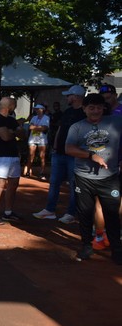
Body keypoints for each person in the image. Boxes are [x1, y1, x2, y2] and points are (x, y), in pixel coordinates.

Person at [65, 93, 122, 263]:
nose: (95, 111)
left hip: (109, 177)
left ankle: (116, 250)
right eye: (91, 108)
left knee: (112, 214)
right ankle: (86, 247)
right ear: (84, 109)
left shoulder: (116, 122)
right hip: (83, 177)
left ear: (103, 108)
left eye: (98, 107)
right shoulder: (77, 127)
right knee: (85, 213)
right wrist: (91, 156)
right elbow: (68, 148)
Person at [34, 85, 86, 224]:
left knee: (74, 185)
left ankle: (71, 213)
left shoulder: (85, 112)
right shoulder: (67, 111)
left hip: (74, 155)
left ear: (75, 97)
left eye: (69, 95)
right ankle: (49, 210)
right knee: (54, 182)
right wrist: (56, 146)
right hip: (60, 153)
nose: (67, 97)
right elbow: (61, 129)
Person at [0, 96, 24, 224]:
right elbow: (5, 136)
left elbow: (22, 134)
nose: (15, 106)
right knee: (0, 186)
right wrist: (14, 132)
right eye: (14, 104)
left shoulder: (11, 119)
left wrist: (12, 132)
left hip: (13, 155)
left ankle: (8, 213)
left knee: (13, 184)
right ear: (9, 106)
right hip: (1, 156)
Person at [25, 104, 50, 179]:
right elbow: (30, 127)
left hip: (42, 139)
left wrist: (35, 127)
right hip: (32, 139)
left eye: (38, 109)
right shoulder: (34, 117)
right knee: (30, 155)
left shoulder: (46, 118)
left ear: (42, 110)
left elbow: (45, 128)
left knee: (42, 156)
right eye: (36, 109)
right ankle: (28, 171)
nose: (36, 110)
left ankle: (42, 172)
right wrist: (39, 127)